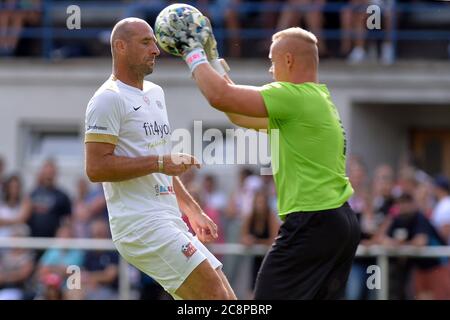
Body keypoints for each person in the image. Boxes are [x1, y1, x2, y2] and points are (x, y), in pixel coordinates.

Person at [164, 21, 360, 299]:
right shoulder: (315, 98)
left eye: (273, 61)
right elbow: (236, 112)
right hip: (338, 222)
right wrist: (212, 57)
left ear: (289, 60)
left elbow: (220, 96)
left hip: (312, 223)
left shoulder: (293, 96)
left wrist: (191, 52)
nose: (270, 70)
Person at [84, 17, 235, 300]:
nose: (156, 49)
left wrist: (193, 210)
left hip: (168, 218)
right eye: (145, 42)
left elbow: (160, 165)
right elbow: (96, 167)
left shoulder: (156, 93)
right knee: (216, 297)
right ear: (120, 46)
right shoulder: (107, 99)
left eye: (154, 41)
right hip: (139, 225)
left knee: (225, 294)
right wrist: (161, 163)